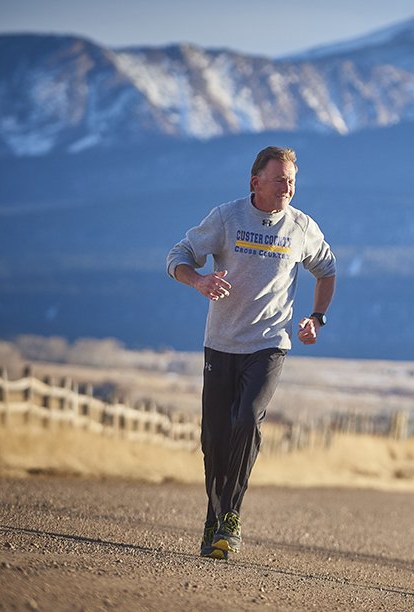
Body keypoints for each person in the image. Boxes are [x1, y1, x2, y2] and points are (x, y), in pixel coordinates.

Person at [166, 146, 336, 560]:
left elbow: (327, 270)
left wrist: (317, 317)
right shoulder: (227, 217)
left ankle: (231, 519)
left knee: (248, 418)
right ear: (255, 182)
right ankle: (214, 518)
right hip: (221, 343)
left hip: (269, 344)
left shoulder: (301, 227)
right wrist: (199, 282)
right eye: (279, 178)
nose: (288, 186)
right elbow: (177, 257)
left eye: (292, 179)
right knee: (214, 438)